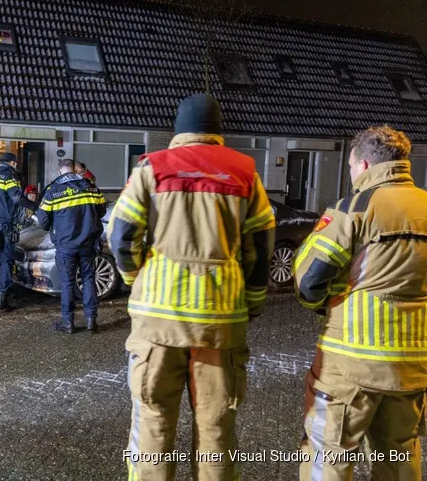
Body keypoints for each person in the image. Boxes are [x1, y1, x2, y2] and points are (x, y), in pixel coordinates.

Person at [107, 94, 275, 480]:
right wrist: (252, 301)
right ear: (218, 131)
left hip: (157, 323)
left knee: (152, 421)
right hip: (220, 321)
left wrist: (138, 282)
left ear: (178, 130)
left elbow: (121, 235)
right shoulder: (245, 172)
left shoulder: (151, 167)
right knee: (216, 428)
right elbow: (261, 246)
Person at [293, 125, 427, 481]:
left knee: (329, 454)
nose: (352, 174)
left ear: (364, 164)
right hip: (413, 367)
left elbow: (308, 280)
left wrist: (326, 304)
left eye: (351, 166)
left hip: (350, 364)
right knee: (399, 455)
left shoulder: (354, 208)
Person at [37, 159, 106, 333]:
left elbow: (43, 220)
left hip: (66, 245)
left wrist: (56, 225)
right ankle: (91, 320)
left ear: (60, 173)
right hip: (88, 243)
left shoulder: (54, 191)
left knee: (67, 283)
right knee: (89, 278)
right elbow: (102, 211)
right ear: (75, 171)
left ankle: (68, 323)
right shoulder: (90, 187)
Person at [0, 152, 35, 310]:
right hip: (6, 224)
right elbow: (17, 198)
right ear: (13, 163)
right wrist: (34, 206)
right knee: (7, 257)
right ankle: (3, 294)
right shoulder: (9, 176)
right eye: (15, 163)